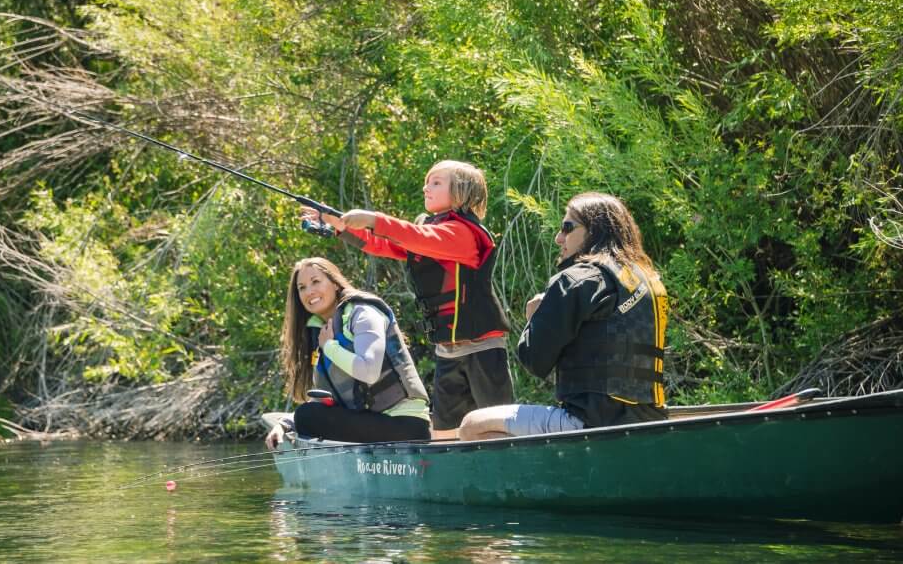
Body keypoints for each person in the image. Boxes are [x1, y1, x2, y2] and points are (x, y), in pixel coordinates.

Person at [302, 160, 513, 440]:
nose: (427, 187)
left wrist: (375, 220)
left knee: (496, 426)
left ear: (462, 190)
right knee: (444, 434)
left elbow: (417, 237)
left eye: (436, 182)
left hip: (482, 348)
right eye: (427, 181)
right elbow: (383, 244)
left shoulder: (461, 233)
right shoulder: (429, 230)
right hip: (447, 351)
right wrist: (337, 224)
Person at [457, 192, 668, 441]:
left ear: (595, 231)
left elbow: (534, 360)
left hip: (590, 424)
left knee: (471, 425)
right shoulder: (647, 280)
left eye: (567, 228)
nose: (559, 238)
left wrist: (534, 317)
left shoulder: (575, 280)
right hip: (650, 421)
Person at [264, 257, 431, 450]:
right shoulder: (321, 331)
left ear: (335, 284)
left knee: (307, 416)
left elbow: (369, 372)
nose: (309, 291)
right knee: (306, 413)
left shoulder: (363, 313)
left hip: (406, 426)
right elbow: (324, 400)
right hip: (370, 421)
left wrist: (330, 348)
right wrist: (285, 425)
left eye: (316, 282)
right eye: (302, 287)